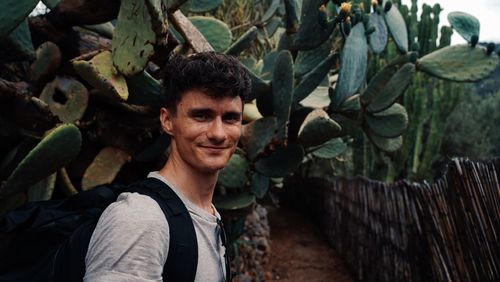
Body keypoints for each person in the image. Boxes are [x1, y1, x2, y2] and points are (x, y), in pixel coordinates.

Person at [83, 52, 251, 282]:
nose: (218, 134)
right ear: (167, 121)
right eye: (201, 116)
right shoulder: (139, 220)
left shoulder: (207, 214)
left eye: (231, 118)